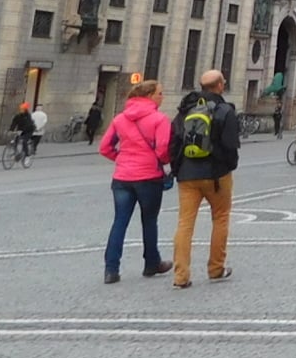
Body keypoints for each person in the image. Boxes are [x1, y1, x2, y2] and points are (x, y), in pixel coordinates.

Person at [171, 70, 241, 288]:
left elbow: (173, 142)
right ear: (219, 85)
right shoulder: (224, 110)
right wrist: (228, 167)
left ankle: (180, 276)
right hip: (216, 175)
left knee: (184, 224)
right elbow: (231, 145)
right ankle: (216, 268)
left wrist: (177, 169)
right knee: (220, 219)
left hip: (187, 175)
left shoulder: (185, 109)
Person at [98, 80, 172, 284]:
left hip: (122, 177)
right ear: (149, 96)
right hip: (148, 177)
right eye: (159, 93)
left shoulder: (120, 119)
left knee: (120, 221)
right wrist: (162, 162)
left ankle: (111, 269)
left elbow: (105, 147)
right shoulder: (160, 119)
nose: (162, 97)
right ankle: (151, 263)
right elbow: (163, 148)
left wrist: (121, 159)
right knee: (149, 221)